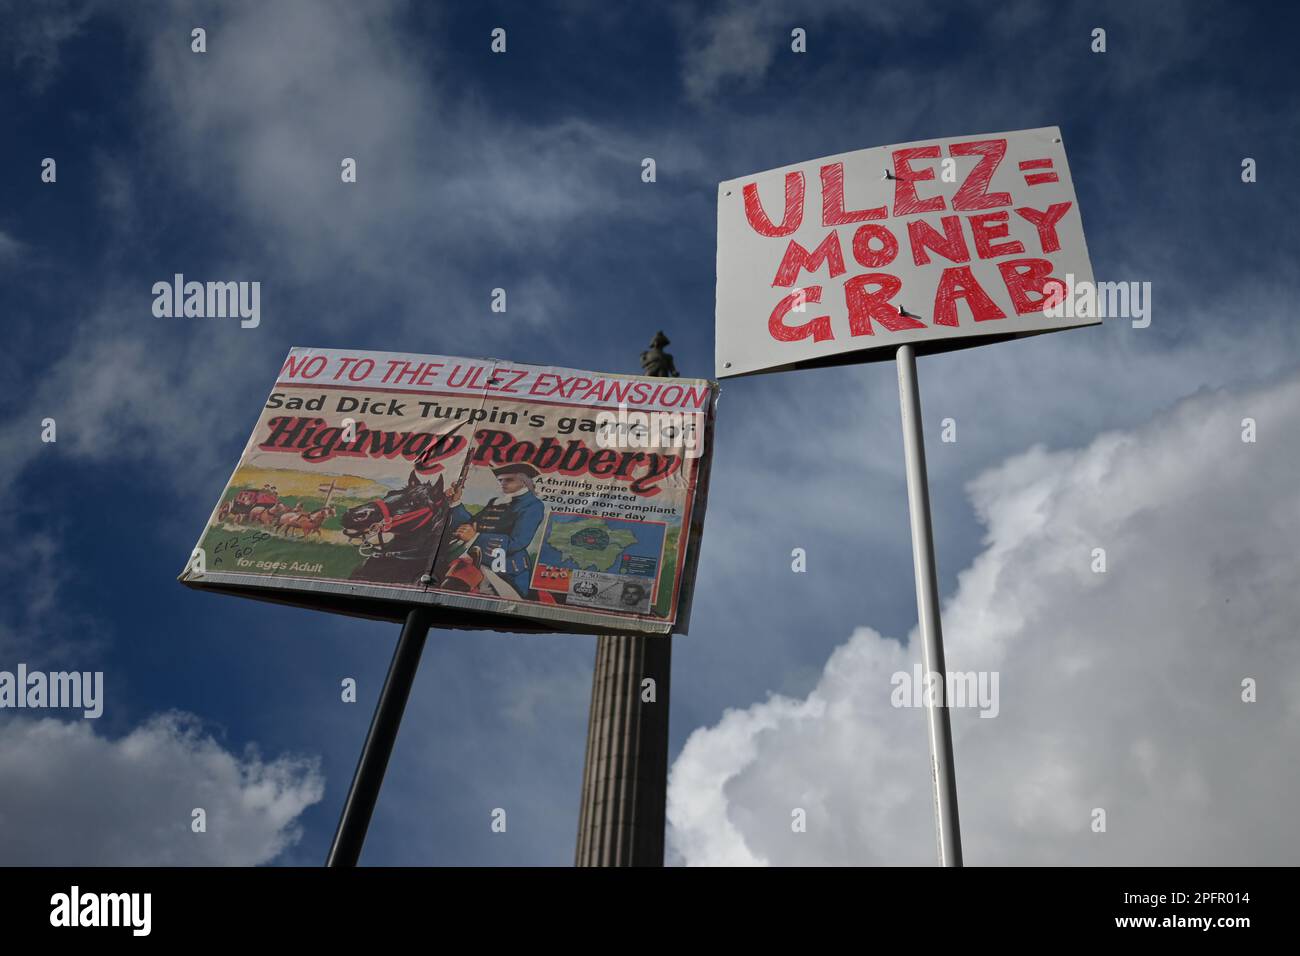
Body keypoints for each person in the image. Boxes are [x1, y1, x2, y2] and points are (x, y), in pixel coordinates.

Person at [447, 463, 546, 598]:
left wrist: (476, 537)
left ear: (524, 481)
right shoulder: (496, 501)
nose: (503, 484)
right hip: (476, 561)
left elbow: (517, 542)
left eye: (509, 480)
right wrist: (456, 502)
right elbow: (471, 525)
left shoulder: (533, 505)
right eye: (501, 480)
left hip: (505, 570)